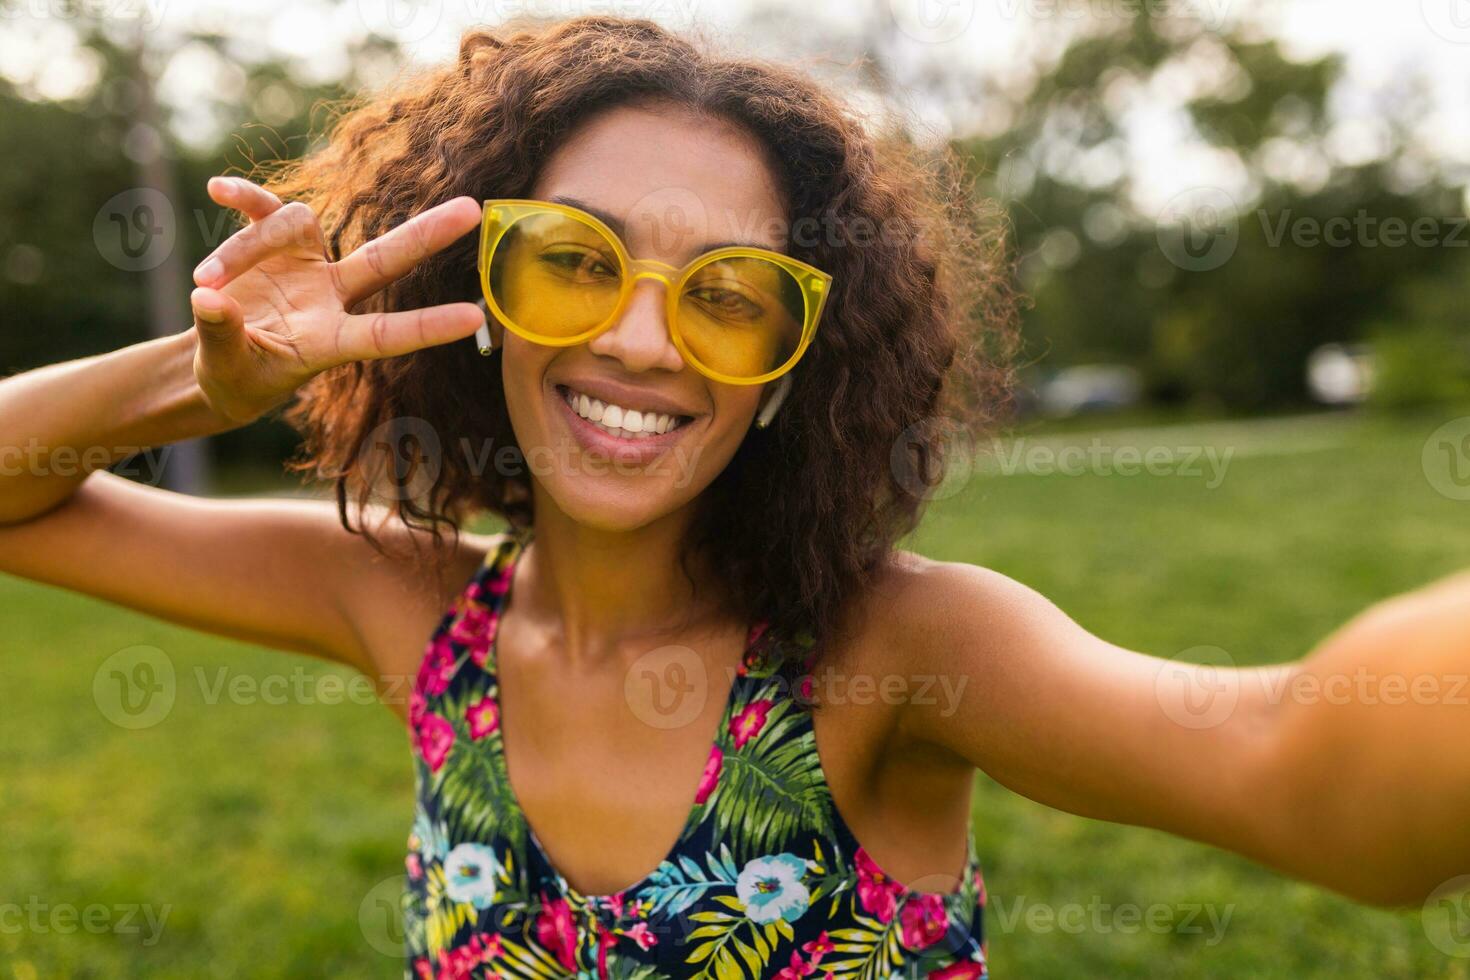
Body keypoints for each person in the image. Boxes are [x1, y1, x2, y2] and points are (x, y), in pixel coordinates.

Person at [1, 16, 1466, 980]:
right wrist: (210, 386)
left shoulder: (896, 655)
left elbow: (1300, 775)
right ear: (482, 297)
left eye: (729, 297)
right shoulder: (410, 608)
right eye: (574, 259)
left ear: (787, 370)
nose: (639, 339)